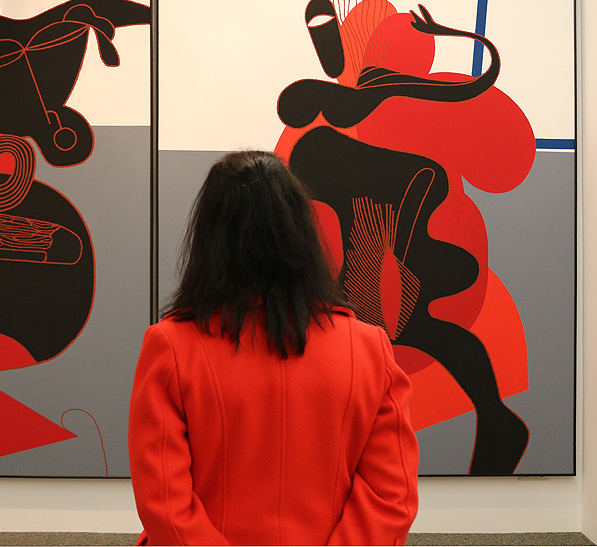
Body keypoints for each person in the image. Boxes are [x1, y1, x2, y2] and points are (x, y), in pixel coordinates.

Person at [128, 150, 419, 546]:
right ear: (301, 231)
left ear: (210, 236)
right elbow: (391, 497)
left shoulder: (171, 345)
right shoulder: (368, 348)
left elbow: (164, 503)